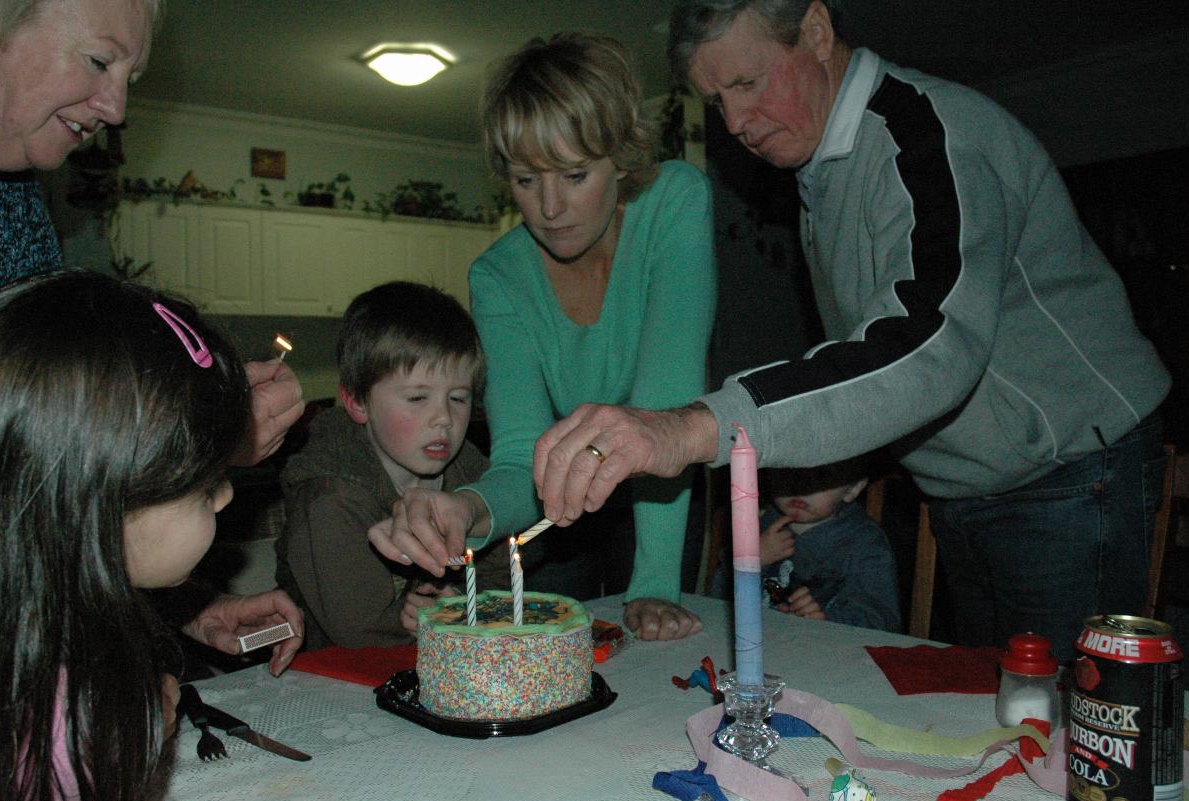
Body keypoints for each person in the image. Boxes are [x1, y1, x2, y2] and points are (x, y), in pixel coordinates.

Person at [532, 0, 1170, 661]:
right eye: (716, 101)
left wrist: (691, 426)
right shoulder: (824, 166)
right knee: (1001, 720)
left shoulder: (928, 136)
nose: (736, 124)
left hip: (1070, 470)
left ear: (815, 32)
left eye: (748, 84)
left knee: (1075, 734)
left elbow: (927, 340)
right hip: (968, 489)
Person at [0, 271, 304, 801]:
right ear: (95, 510)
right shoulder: (68, 733)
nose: (225, 496)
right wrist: (137, 727)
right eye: (202, 485)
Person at [369, 32, 717, 642]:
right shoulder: (498, 277)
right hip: (562, 508)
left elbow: (666, 413)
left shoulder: (676, 203)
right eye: (528, 181)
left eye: (575, 174)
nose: (550, 207)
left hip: (667, 495)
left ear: (623, 159)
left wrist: (657, 582)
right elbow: (519, 459)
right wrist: (468, 509)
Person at [0, 0, 303, 463]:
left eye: (129, 81)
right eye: (99, 61)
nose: (116, 111)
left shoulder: (8, 192)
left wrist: (203, 426)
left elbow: (41, 421)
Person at [276, 282, 510, 648]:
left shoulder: (471, 474)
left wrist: (462, 600)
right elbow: (357, 631)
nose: (444, 419)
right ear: (356, 402)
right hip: (334, 679)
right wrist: (427, 617)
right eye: (418, 397)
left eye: (458, 398)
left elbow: (511, 563)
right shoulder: (331, 498)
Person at [711, 460, 900, 631]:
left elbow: (882, 622)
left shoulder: (865, 542)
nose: (800, 485)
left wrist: (828, 620)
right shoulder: (759, 524)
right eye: (787, 471)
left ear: (852, 488)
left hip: (830, 656)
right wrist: (748, 561)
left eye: (821, 475)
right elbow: (715, 605)